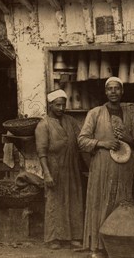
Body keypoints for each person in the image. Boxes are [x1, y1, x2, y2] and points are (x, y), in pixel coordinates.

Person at [78, 76, 134, 258]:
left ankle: (117, 246)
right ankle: (97, 247)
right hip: (102, 166)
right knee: (100, 203)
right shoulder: (95, 113)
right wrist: (102, 143)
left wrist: (129, 139)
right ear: (105, 92)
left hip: (124, 168)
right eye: (110, 89)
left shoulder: (129, 115)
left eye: (117, 89)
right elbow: (82, 140)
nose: (113, 92)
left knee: (121, 204)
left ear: (122, 92)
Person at [35, 88, 84, 250]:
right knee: (55, 202)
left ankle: (75, 236)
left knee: (74, 200)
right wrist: (47, 174)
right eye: (57, 105)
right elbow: (41, 153)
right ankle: (54, 238)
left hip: (72, 168)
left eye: (63, 105)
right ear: (50, 105)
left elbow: (82, 140)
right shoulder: (44, 125)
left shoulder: (70, 121)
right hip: (54, 168)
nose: (61, 108)